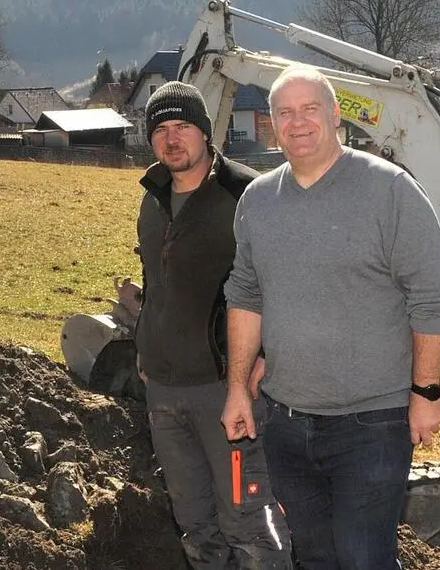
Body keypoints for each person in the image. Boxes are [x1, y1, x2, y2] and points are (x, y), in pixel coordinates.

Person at [220, 66, 440, 569]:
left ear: (335, 115)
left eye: (310, 109)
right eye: (285, 112)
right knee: (314, 556)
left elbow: (432, 297)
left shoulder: (389, 190)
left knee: (363, 558)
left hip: (372, 422)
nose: (298, 122)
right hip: (286, 421)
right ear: (272, 124)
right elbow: (245, 295)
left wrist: (427, 391)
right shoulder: (257, 201)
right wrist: (238, 388)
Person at [133, 81, 291, 569]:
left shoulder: (246, 194)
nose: (171, 138)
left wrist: (268, 357)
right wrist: (144, 346)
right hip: (164, 391)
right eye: (160, 129)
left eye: (182, 126)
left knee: (248, 523)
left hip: (227, 390)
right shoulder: (153, 196)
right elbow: (156, 280)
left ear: (205, 131)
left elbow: (285, 282)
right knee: (195, 525)